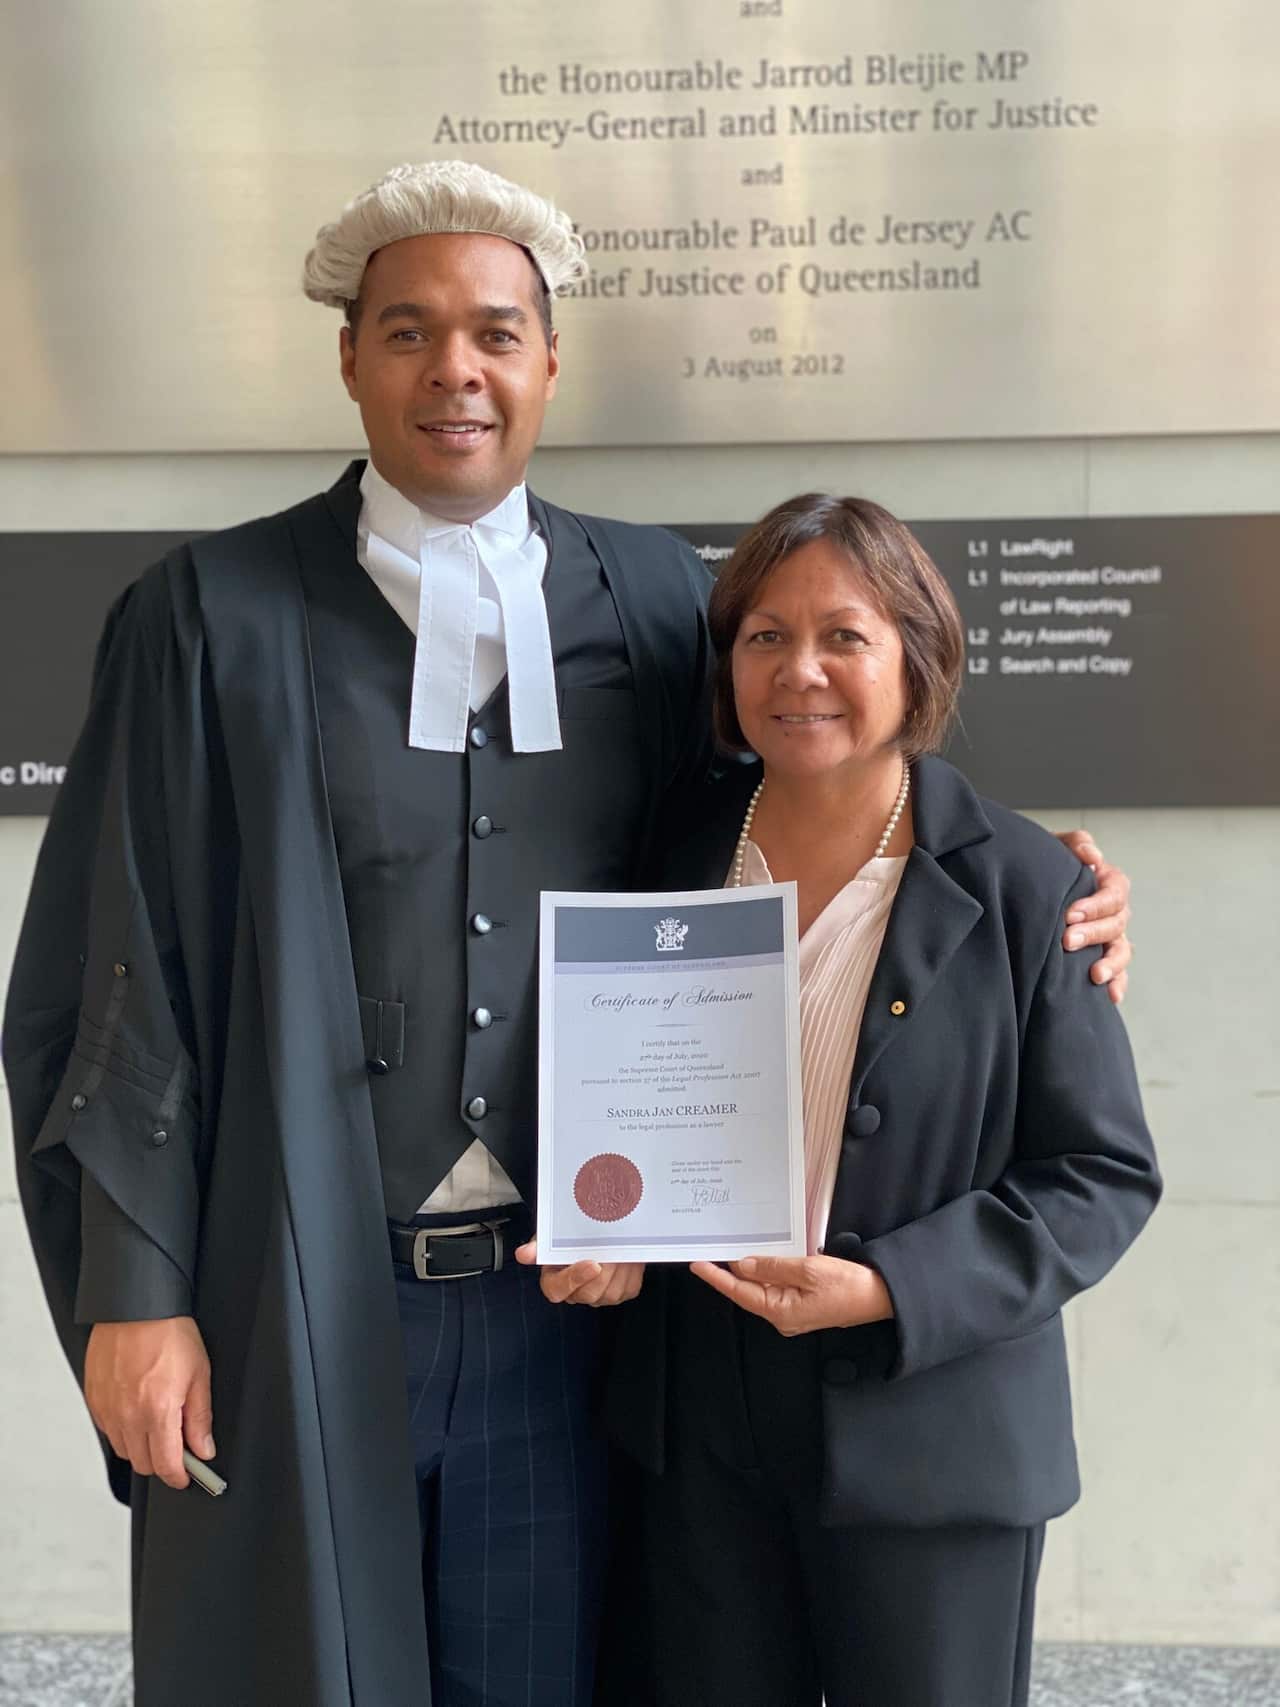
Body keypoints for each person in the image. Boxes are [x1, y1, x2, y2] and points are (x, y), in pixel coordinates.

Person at [3, 160, 1132, 1707]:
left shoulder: (664, 599)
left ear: (549, 361)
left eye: (493, 332)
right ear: (349, 358)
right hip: (302, 1287)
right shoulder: (207, 617)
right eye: (407, 332)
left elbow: (829, 772)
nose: (453, 369)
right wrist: (134, 1291)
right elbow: (113, 969)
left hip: (574, 1317)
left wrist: (1037, 874)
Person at [583, 495, 1161, 1707]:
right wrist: (601, 1231)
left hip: (933, 1433)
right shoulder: (664, 858)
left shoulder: (1023, 884)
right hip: (697, 1432)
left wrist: (892, 1288)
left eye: (843, 636)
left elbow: (1098, 1176)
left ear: (916, 659)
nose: (799, 671)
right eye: (761, 637)